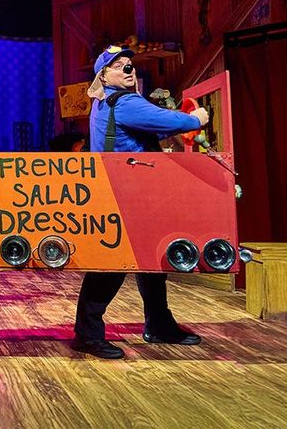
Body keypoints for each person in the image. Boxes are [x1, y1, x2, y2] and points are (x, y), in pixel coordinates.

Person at [71, 45, 211, 359]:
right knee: (112, 265)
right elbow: (164, 120)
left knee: (151, 260)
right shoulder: (124, 101)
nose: (128, 69)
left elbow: (138, 132)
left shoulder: (105, 102)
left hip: (132, 192)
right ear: (103, 75)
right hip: (126, 194)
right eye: (119, 65)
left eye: (129, 64)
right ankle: (87, 334)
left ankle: (158, 323)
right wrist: (194, 119)